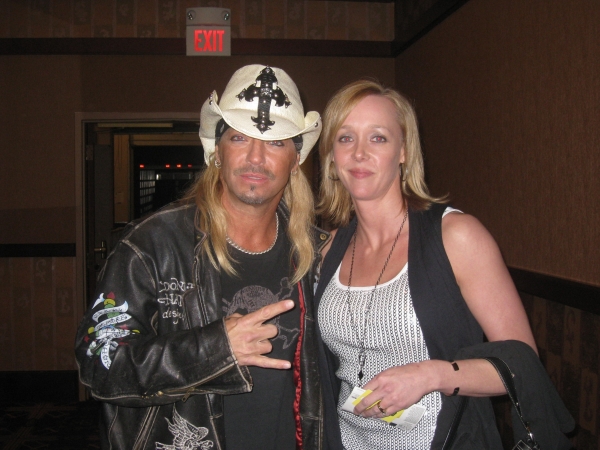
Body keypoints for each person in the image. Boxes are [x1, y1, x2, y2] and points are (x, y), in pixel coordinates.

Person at [75, 64, 330, 450]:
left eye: (276, 143)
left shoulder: (316, 253)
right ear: (217, 151)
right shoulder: (151, 245)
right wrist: (215, 349)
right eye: (239, 138)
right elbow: (100, 363)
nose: (256, 157)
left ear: (296, 159)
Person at [313, 79, 574, 449]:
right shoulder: (327, 251)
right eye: (345, 138)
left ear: (404, 151)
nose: (359, 153)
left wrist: (431, 376)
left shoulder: (456, 236)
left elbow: (522, 365)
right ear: (331, 155)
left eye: (378, 138)